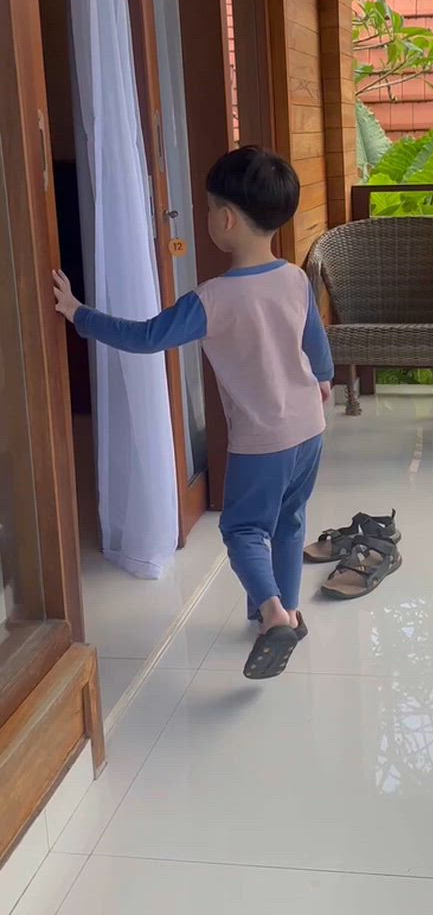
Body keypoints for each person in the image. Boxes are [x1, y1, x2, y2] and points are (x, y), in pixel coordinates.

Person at [53, 145, 334, 680]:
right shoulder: (295, 279)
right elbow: (314, 342)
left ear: (225, 220)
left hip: (263, 440)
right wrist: (322, 379)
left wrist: (79, 313)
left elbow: (146, 337)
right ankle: (288, 611)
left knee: (244, 529)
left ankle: (272, 613)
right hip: (309, 428)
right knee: (290, 520)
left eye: (207, 209)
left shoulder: (212, 299)